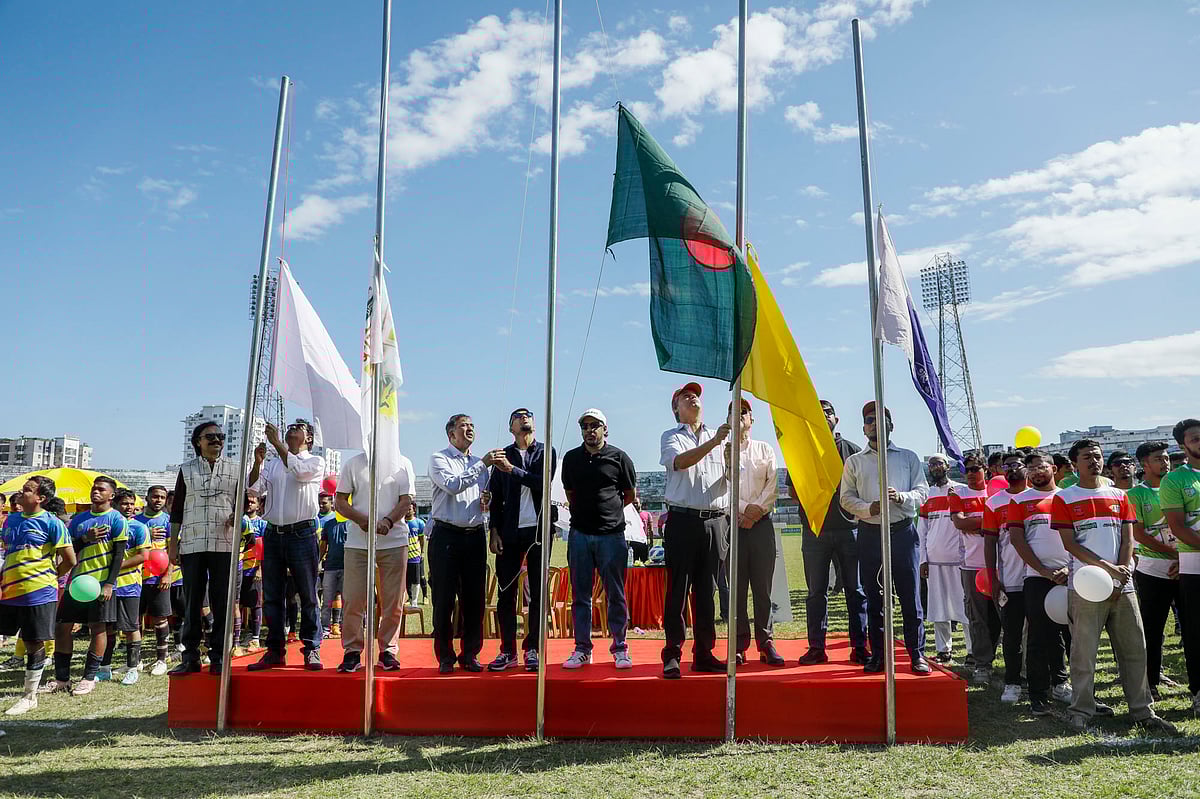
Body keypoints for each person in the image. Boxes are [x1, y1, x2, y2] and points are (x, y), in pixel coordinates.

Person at [1052, 438, 1176, 734]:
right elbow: (1070, 544)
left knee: (1136, 649)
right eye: (1086, 457)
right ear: (1074, 464)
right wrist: (1107, 569)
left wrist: (1124, 571)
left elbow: (1128, 537)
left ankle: (1142, 710)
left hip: (1124, 585)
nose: (1093, 460)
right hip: (1085, 586)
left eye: (1096, 456)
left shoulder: (1119, 495)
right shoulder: (1065, 498)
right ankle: (1081, 709)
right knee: (1084, 652)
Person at [841, 402, 930, 674]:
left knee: (909, 595)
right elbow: (845, 498)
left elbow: (923, 491)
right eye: (870, 420)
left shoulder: (908, 457)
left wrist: (902, 497)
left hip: (902, 532)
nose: (875, 424)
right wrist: (868, 508)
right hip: (870, 534)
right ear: (864, 427)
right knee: (874, 597)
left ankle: (917, 655)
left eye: (881, 419)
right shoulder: (854, 461)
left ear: (891, 425)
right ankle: (878, 655)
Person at [659, 383, 730, 679]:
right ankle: (672, 653)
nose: (693, 398)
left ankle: (704, 653)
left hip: (715, 521)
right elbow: (682, 462)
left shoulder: (721, 438)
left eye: (696, 394)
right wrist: (714, 443)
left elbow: (731, 475)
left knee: (707, 591)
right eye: (685, 396)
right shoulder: (671, 437)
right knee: (678, 589)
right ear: (676, 408)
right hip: (683, 521)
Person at [247, 419, 326, 672]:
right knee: (272, 595)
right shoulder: (272, 463)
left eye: (298, 428)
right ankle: (274, 650)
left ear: (309, 439)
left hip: (301, 533)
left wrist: (277, 443)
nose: (292, 429)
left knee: (307, 594)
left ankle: (311, 648)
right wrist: (258, 463)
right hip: (273, 533)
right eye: (290, 426)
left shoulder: (315, 462)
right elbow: (253, 489)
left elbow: (299, 472)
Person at [561, 408, 636, 669]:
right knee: (581, 596)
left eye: (595, 425)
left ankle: (620, 648)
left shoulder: (619, 457)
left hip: (612, 536)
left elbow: (629, 494)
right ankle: (582, 649)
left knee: (616, 595)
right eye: (585, 426)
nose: (590, 430)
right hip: (580, 534)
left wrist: (608, 514)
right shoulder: (571, 459)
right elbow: (570, 493)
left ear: (605, 428)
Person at [168, 422, 243, 676]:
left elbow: (244, 500)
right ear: (197, 442)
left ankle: (219, 656)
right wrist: (172, 545)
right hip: (192, 542)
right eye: (210, 437)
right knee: (192, 603)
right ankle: (190, 657)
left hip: (224, 542)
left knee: (223, 602)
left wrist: (238, 515)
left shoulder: (235, 468)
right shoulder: (186, 470)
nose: (216, 440)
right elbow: (176, 510)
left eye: (220, 436)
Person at [798, 400, 869, 666]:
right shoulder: (803, 450)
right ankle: (817, 647)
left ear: (836, 419)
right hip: (814, 532)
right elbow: (794, 489)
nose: (823, 417)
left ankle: (860, 646)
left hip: (850, 530)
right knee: (816, 592)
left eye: (827, 412)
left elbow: (862, 488)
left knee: (856, 590)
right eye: (817, 412)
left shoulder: (852, 452)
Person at [333, 448, 416, 673]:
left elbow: (406, 499)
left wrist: (388, 521)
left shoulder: (403, 462)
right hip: (358, 543)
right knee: (353, 598)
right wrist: (363, 520)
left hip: (394, 541)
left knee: (393, 601)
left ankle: (388, 650)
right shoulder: (353, 463)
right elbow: (340, 501)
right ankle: (352, 650)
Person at [486, 407, 557, 672]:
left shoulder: (545, 452)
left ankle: (533, 649)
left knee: (538, 594)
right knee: (506, 592)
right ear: (510, 427)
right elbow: (494, 497)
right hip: (509, 531)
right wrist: (493, 530)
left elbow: (542, 483)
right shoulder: (503, 454)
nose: (524, 417)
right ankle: (507, 651)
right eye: (518, 415)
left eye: (528, 414)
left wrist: (512, 470)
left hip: (538, 531)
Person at [428, 414, 500, 673]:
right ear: (451, 435)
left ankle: (470, 654)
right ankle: (445, 656)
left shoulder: (479, 464)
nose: (469, 429)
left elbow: (481, 500)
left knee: (474, 600)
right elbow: (453, 485)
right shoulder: (440, 459)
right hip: (446, 535)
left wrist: (487, 501)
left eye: (472, 426)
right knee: (444, 599)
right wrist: (483, 465)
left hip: (474, 535)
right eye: (463, 426)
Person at [48, 476, 128, 695]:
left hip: (101, 584)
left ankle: (89, 677)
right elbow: (68, 548)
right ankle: (62, 679)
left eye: (101, 489)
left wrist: (110, 584)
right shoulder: (78, 520)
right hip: (77, 583)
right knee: (62, 627)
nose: (96, 491)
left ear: (111, 495)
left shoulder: (117, 520)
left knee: (98, 628)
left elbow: (119, 555)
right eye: (94, 488)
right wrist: (85, 538)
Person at [1, 477, 75, 715]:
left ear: (41, 498)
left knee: (34, 641)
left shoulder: (52, 523)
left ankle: (29, 696)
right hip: (9, 590)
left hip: (39, 592)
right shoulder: (10, 520)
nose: (22, 492)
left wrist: (51, 577)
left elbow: (70, 560)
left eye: (28, 490)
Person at [1008, 450, 1072, 716]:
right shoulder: (1019, 501)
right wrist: (1045, 571)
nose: (1035, 471)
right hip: (1037, 578)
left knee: (1073, 637)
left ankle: (1067, 685)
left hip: (1073, 576)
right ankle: (1038, 695)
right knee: (1037, 637)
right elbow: (1018, 541)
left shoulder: (1069, 496)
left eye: (1041, 466)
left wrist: (1070, 568)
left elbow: (1078, 538)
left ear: (1054, 469)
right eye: (1030, 468)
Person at [726, 398, 784, 667]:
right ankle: (738, 645)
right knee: (736, 589)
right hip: (733, 524)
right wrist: (743, 510)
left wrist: (755, 512)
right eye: (733, 411)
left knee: (763, 589)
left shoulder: (765, 449)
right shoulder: (722, 451)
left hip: (761, 526)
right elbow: (722, 489)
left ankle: (766, 642)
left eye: (744, 411)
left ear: (752, 418)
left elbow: (772, 487)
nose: (739, 415)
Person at [1127, 441, 1179, 700]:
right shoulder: (1135, 495)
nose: (1165, 462)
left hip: (1187, 567)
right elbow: (1139, 534)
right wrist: (1175, 554)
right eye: (1159, 458)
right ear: (1144, 464)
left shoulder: (1178, 487)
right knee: (1153, 628)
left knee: (1190, 626)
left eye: (1167, 457)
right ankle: (1151, 681)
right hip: (1152, 569)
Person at [1160, 419, 1200, 711]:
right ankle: (1198, 691)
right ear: (1182, 445)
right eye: (1195, 438)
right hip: (1194, 564)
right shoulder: (1174, 480)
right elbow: (1178, 527)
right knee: (1196, 632)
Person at [950, 452, 1000, 682]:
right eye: (966, 470)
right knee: (977, 617)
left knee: (1004, 616)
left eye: (974, 469)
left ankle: (1013, 664)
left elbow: (1006, 520)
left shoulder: (998, 491)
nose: (970, 474)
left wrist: (978, 524)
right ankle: (982, 663)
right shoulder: (959, 493)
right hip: (972, 566)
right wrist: (989, 523)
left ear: (985, 470)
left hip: (1003, 565)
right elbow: (960, 522)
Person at [982, 450, 1027, 703]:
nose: (1010, 469)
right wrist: (993, 577)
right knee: (1011, 634)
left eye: (1015, 465)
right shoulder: (994, 502)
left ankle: (1052, 680)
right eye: (1005, 466)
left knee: (1045, 633)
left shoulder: (1045, 498)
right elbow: (990, 543)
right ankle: (1012, 682)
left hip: (1041, 577)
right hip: (1010, 578)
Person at [918, 453, 966, 665]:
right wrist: (922, 559)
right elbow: (922, 530)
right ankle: (943, 650)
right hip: (934, 559)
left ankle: (972, 651)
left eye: (939, 464)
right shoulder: (926, 495)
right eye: (932, 465)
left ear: (947, 466)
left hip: (959, 559)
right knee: (938, 608)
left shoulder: (960, 490)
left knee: (964, 607)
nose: (935, 467)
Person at [101, 489, 149, 685]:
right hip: (106, 585)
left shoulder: (139, 528)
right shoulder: (107, 525)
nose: (129, 507)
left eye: (131, 504)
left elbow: (143, 556)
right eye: (124, 504)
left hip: (129, 586)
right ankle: (104, 669)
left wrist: (115, 567)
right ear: (115, 505)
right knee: (106, 628)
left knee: (131, 627)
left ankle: (132, 668)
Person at [136, 485, 174, 676]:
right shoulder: (135, 522)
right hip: (136, 578)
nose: (158, 500)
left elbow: (173, 551)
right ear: (147, 498)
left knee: (160, 618)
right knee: (135, 620)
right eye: (155, 496)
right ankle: (136, 660)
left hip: (159, 579)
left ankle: (161, 659)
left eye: (162, 497)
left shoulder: (169, 521)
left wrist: (168, 574)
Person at [234, 492, 266, 654]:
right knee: (237, 603)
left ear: (259, 505)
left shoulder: (262, 524)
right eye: (247, 502)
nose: (249, 504)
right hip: (237, 569)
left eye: (253, 502)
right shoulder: (237, 519)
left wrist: (260, 569)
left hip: (254, 570)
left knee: (255, 604)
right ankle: (236, 638)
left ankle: (255, 638)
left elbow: (263, 548)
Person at [317, 493, 347, 639]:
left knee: (347, 600)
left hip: (347, 567)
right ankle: (324, 628)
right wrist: (318, 561)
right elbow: (323, 546)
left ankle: (344, 626)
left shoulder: (352, 524)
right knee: (327, 600)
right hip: (330, 567)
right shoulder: (329, 524)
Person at [404, 507, 426, 607]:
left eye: (410, 509)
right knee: (406, 580)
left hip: (415, 556)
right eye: (406, 509)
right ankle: (410, 597)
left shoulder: (419, 523)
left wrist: (422, 552)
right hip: (403, 557)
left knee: (417, 579)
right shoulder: (401, 523)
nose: (408, 511)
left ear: (414, 510)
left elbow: (421, 539)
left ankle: (415, 601)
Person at [624, 490, 651, 564]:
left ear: (640, 504)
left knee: (645, 561)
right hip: (634, 542)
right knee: (634, 562)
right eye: (633, 503)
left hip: (642, 540)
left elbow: (650, 528)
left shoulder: (646, 514)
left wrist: (650, 540)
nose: (635, 505)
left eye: (636, 503)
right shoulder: (628, 515)